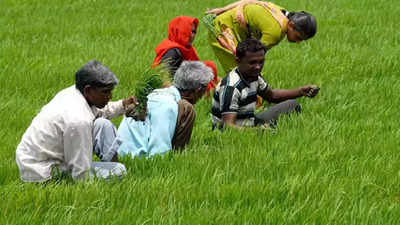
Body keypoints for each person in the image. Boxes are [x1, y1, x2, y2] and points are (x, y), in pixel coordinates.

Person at [15, 60, 141, 182]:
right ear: (88, 90)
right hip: (42, 171)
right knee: (119, 171)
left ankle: (109, 165)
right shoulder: (79, 120)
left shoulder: (74, 93)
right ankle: (112, 171)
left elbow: (98, 110)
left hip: (39, 160)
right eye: (105, 92)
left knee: (103, 125)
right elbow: (81, 174)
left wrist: (123, 105)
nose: (110, 96)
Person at [211, 38, 319, 129]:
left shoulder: (254, 76)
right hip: (235, 130)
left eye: (261, 62)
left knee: (292, 105)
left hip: (250, 122)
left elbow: (272, 96)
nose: (258, 67)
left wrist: (301, 91)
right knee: (269, 131)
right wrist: (256, 132)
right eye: (252, 62)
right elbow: (227, 126)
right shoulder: (231, 87)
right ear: (238, 61)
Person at [114, 61, 213, 158]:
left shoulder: (157, 93)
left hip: (123, 153)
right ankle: (178, 156)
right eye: (203, 92)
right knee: (188, 109)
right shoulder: (167, 105)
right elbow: (158, 149)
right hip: (134, 157)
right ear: (197, 91)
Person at [204, 0, 317, 73]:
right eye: (299, 37)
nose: (298, 42)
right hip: (222, 31)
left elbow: (248, 2)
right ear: (291, 25)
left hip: (225, 23)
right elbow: (253, 56)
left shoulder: (279, 10)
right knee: (240, 72)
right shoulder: (276, 32)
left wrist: (222, 10)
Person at [152, 16, 218, 94]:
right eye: (188, 31)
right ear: (180, 31)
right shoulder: (172, 51)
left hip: (183, 85)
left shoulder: (187, 49)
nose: (192, 35)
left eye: (194, 32)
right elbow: (162, 75)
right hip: (177, 90)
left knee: (209, 66)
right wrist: (175, 96)